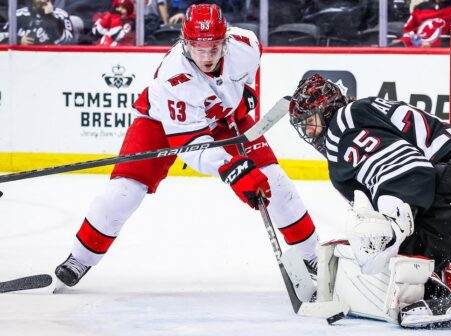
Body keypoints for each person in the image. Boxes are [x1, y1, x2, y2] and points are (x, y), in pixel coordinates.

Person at [54, 3, 319, 288]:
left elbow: (248, 78)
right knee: (123, 192)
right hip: (160, 122)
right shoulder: (172, 77)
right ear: (185, 42)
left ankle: (313, 257)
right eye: (198, 48)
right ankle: (79, 258)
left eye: (214, 48)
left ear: (225, 41)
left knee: (276, 183)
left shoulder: (246, 44)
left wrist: (247, 97)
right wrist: (231, 168)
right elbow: (191, 145)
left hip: (225, 116)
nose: (206, 56)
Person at [288, 74, 451, 326]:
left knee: (382, 247)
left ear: (329, 109)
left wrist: (388, 225)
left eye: (311, 121)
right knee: (398, 239)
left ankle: (423, 294)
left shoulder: (342, 125)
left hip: (450, 201)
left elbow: (406, 170)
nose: (309, 132)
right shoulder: (364, 112)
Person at [0, 0, 73, 45]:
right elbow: (2, 36)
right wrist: (19, 40)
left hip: (53, 59)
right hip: (22, 59)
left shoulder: (62, 15)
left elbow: (68, 41)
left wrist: (50, 17)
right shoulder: (19, 14)